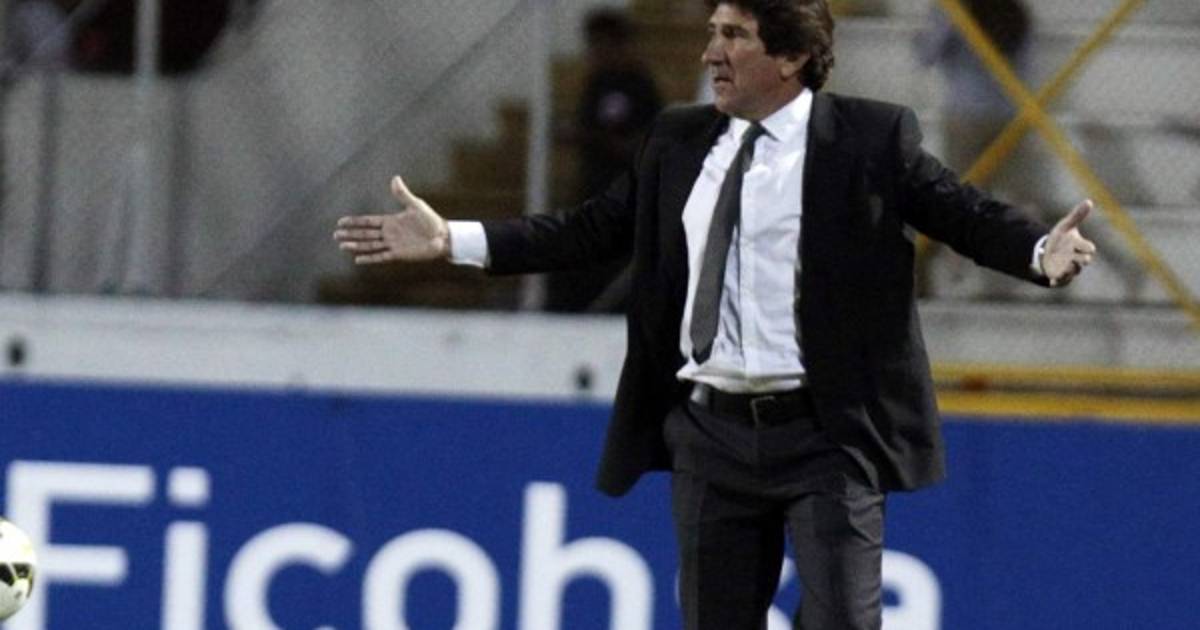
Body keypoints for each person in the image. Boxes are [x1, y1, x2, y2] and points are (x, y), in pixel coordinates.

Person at [334, 1, 1097, 627]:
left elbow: (958, 211)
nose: (710, 52)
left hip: (827, 435)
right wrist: (453, 239)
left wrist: (1039, 251)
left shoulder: (868, 138)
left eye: (733, 35)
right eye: (710, 33)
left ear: (791, 55)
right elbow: (588, 229)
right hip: (711, 434)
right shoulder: (677, 140)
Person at [547, 8, 662, 313]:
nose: (595, 53)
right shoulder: (596, 82)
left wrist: (592, 138)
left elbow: (641, 142)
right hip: (594, 189)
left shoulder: (639, 86)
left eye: (601, 44)